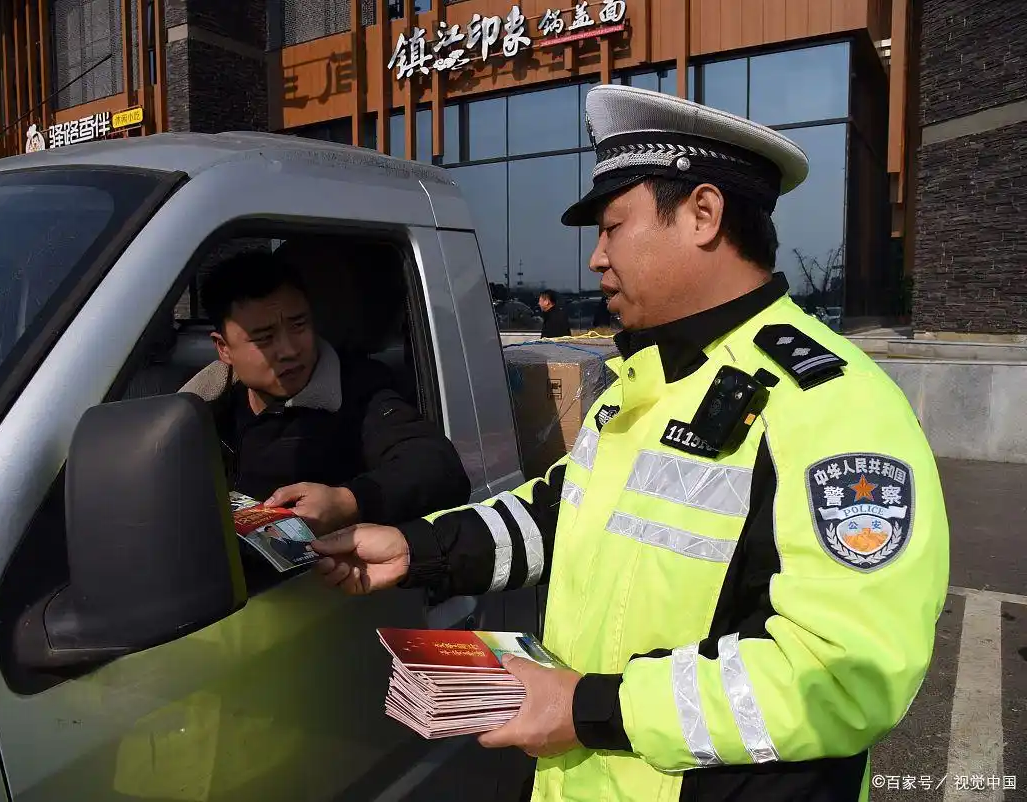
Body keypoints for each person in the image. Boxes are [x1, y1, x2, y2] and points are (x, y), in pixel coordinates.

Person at [310, 85, 949, 801]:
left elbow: (844, 674)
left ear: (704, 215)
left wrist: (586, 708)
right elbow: (563, 513)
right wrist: (418, 548)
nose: (595, 260)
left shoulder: (832, 406)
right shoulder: (643, 378)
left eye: (613, 227)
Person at [182, 250, 471, 537]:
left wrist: (348, 502)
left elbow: (437, 467)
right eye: (264, 338)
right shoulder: (202, 407)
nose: (290, 350)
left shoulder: (360, 393)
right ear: (223, 348)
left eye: (299, 325)